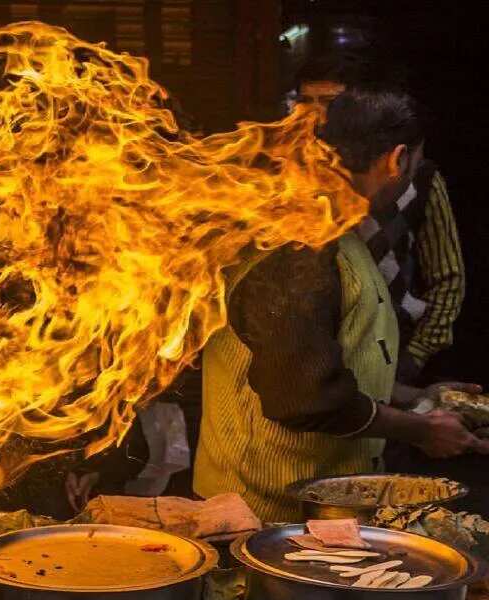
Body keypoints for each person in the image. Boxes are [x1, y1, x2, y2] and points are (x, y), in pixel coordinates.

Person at [194, 87, 488, 521]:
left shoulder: (333, 226)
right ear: (398, 159)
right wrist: (423, 430)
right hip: (259, 516)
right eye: (414, 166)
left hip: (318, 509)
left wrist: (417, 398)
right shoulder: (298, 242)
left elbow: (327, 358)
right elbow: (303, 396)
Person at [295, 54, 465, 383]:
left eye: (330, 102)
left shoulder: (417, 177)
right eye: (305, 102)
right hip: (314, 362)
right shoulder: (287, 179)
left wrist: (414, 358)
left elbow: (448, 278)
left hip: (393, 350)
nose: (315, 115)